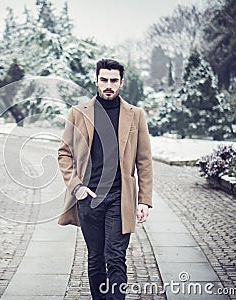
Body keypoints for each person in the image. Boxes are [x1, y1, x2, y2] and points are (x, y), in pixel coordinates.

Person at [57, 58, 153, 300]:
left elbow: (144, 160)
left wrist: (144, 200)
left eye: (113, 80)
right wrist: (76, 186)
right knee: (96, 258)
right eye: (104, 80)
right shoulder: (78, 113)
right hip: (89, 198)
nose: (108, 85)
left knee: (115, 256)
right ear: (96, 80)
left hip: (121, 198)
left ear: (121, 82)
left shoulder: (135, 115)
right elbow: (64, 153)